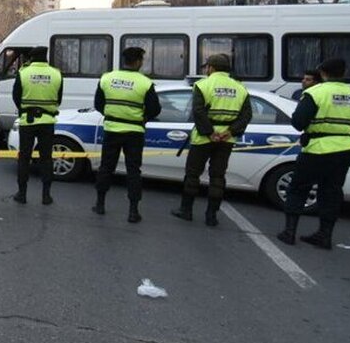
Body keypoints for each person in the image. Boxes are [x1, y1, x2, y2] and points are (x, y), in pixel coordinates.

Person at [278, 58, 350, 249]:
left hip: (317, 148)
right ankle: (324, 235)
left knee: (298, 189)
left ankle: (289, 232)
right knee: (331, 193)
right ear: (344, 72)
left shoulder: (315, 93)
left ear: (323, 73)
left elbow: (298, 122)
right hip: (345, 149)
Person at [171, 53, 251, 227]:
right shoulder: (240, 88)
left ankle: (186, 211)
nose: (206, 70)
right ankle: (211, 216)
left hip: (203, 138)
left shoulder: (202, 85)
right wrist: (230, 132)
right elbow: (246, 115)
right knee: (218, 176)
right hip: (226, 139)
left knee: (193, 174)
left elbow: (198, 112)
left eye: (207, 67)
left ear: (211, 68)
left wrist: (209, 133)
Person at [92, 46, 161, 222]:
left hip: (112, 129)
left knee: (106, 167)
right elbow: (155, 109)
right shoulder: (145, 82)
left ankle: (100, 204)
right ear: (138, 62)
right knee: (133, 171)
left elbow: (98, 104)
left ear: (124, 61)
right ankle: (133, 211)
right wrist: (142, 118)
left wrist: (112, 115)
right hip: (134, 132)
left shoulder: (107, 78)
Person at [11, 45, 62, 205]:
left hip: (28, 121)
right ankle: (46, 195)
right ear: (46, 57)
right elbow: (58, 99)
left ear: (31, 58)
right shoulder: (56, 74)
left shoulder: (23, 73)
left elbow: (16, 96)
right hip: (47, 122)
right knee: (46, 159)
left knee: (24, 158)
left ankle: (22, 194)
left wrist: (24, 109)